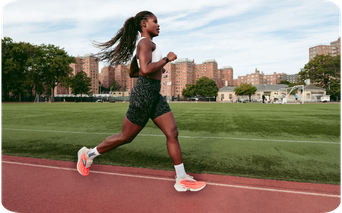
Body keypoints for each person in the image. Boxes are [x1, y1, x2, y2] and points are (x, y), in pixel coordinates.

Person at [77, 11, 206, 192]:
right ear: (144, 24)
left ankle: (182, 178)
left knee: (172, 132)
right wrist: (166, 60)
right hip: (143, 95)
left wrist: (153, 67)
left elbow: (133, 71)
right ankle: (88, 155)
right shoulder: (145, 42)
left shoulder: (148, 44)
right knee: (126, 137)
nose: (158, 25)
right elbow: (144, 70)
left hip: (154, 95)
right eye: (155, 21)